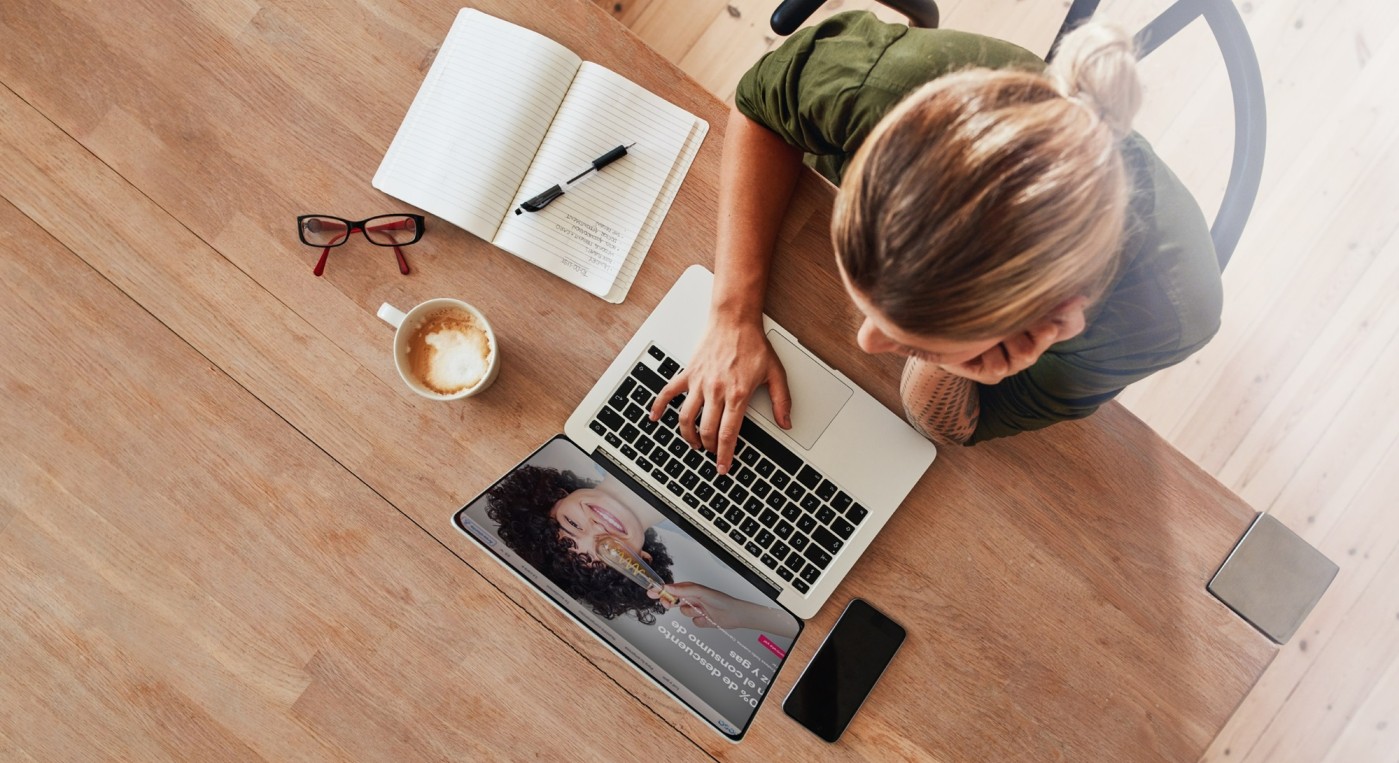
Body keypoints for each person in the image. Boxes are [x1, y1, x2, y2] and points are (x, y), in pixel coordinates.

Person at [649, 12, 1223, 472]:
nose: (867, 340)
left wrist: (960, 370)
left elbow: (946, 426)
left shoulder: (1157, 323)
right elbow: (763, 104)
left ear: (1052, 322)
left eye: (914, 342)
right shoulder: (892, 89)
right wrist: (732, 314)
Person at [486, 465, 797, 637]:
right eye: (606, 552)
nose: (597, 528)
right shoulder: (736, 540)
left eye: (571, 523)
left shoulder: (604, 425)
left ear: (557, 497)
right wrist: (746, 615)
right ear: (642, 560)